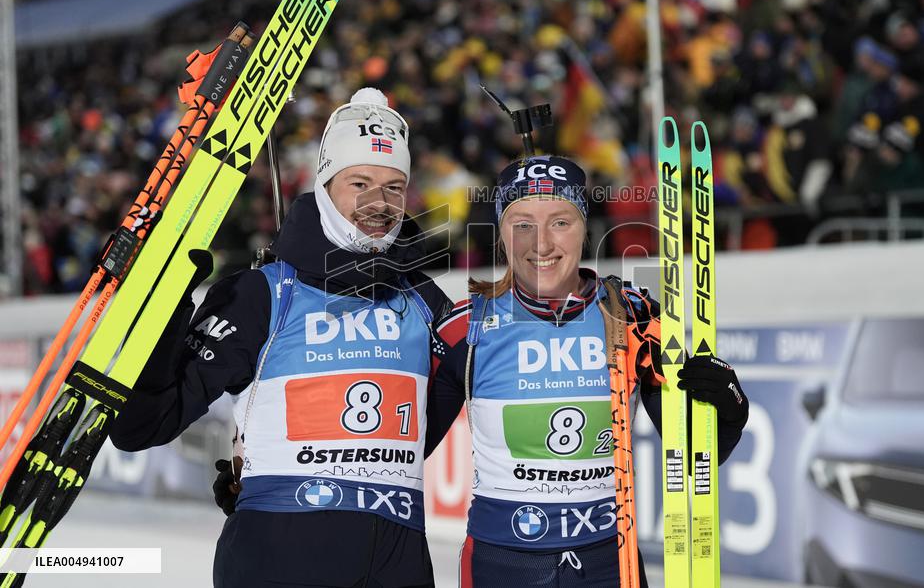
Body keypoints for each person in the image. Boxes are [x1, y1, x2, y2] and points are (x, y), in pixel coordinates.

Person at [110, 88, 453, 588]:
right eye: (360, 182)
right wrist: (165, 312)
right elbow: (141, 428)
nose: (379, 203)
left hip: (396, 565)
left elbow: (440, 412)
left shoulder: (426, 301)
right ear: (325, 183)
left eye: (395, 187)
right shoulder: (261, 295)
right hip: (278, 562)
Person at [426, 155, 749, 587]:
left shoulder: (633, 316)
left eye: (560, 221)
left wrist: (727, 413)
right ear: (501, 235)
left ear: (585, 229)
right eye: (522, 223)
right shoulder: (466, 328)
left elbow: (692, 452)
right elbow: (405, 448)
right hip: (502, 565)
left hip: (609, 564)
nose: (540, 243)